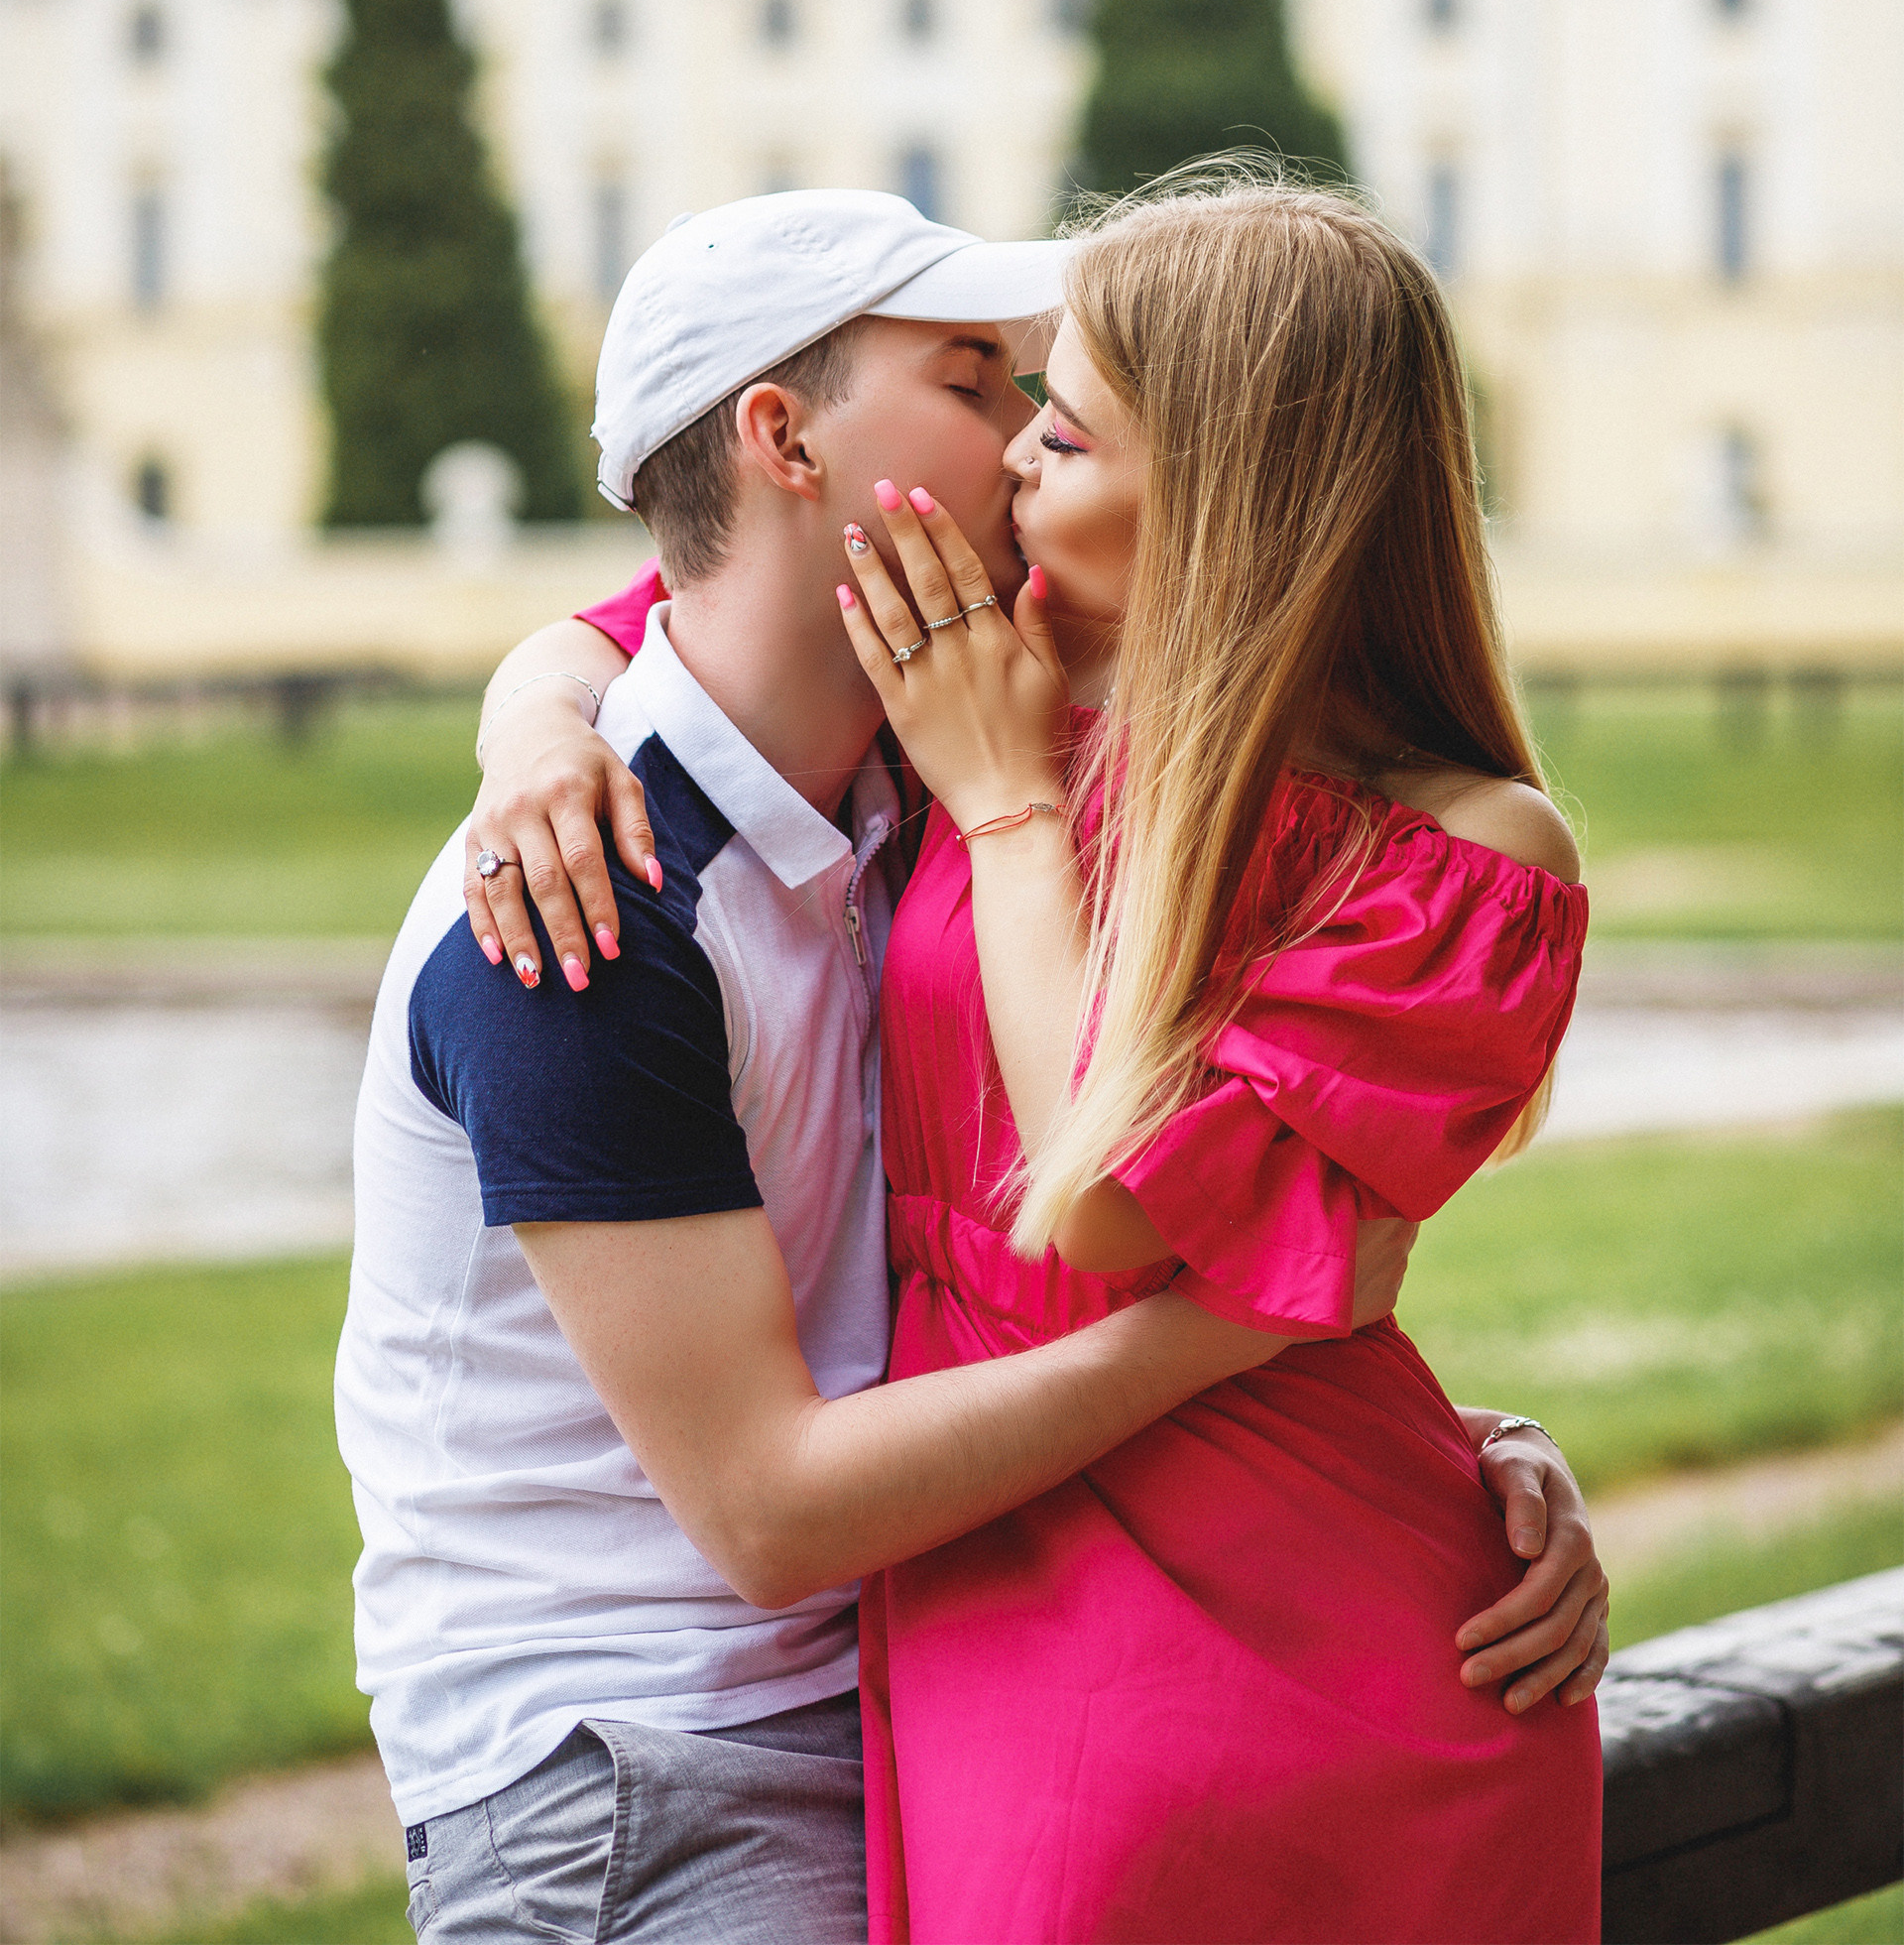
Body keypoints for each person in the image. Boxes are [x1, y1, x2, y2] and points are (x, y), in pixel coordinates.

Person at [452, 186, 1611, 1940]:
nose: (1006, 469)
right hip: (987, 1568)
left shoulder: (1463, 856)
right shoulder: (1006, 661)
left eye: (1056, 429)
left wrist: (1004, 811)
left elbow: (1109, 1209)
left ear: (1222, 488)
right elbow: (690, 595)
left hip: (1315, 1621)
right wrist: (535, 719)